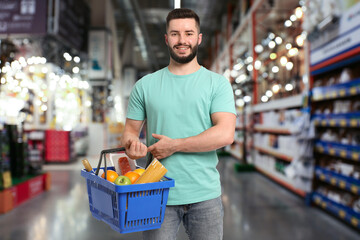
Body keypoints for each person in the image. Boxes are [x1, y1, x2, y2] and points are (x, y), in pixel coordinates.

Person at [121, 8, 236, 240]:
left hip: (205, 195)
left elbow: (225, 134)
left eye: (188, 33)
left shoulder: (217, 85)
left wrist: (174, 145)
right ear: (166, 38)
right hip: (156, 194)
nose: (182, 40)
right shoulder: (145, 86)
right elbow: (130, 132)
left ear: (199, 38)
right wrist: (132, 146)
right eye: (175, 34)